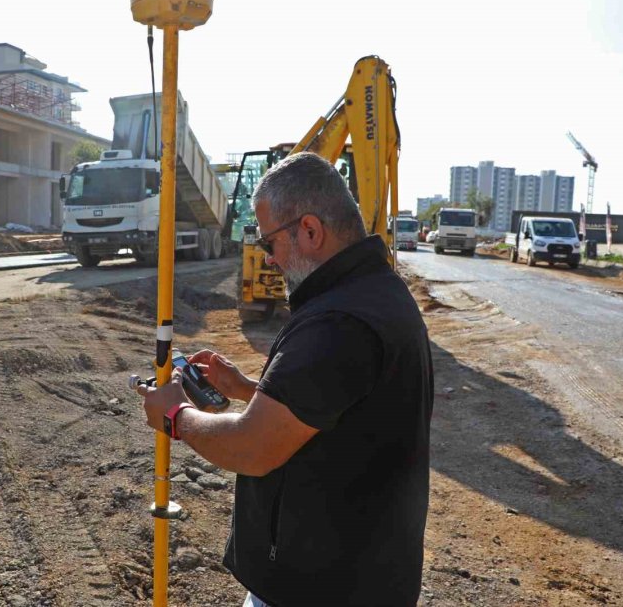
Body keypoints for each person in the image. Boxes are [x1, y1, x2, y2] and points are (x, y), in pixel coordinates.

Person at [138, 152, 434, 606]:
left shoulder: (338, 322)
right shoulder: (373, 292)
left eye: (268, 242)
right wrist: (248, 389)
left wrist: (176, 416)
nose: (268, 259)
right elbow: (339, 416)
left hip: (323, 589)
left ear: (311, 231)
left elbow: (252, 448)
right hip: (355, 576)